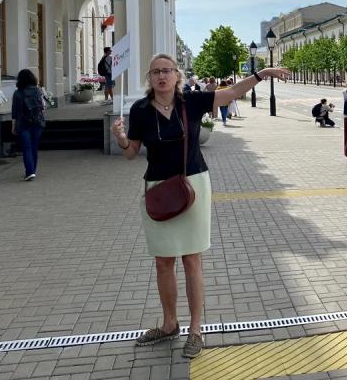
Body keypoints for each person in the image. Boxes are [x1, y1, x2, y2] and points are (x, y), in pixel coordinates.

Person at [110, 53, 288, 358]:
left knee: (192, 259)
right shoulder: (139, 110)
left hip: (193, 185)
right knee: (163, 261)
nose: (161, 76)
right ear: (149, 78)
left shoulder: (189, 102)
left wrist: (264, 73)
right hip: (158, 188)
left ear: (177, 76)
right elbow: (131, 154)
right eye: (155, 72)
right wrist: (122, 139)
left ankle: (196, 329)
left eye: (167, 71)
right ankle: (169, 324)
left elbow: (231, 93)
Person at [11, 69, 46, 181]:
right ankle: (32, 171)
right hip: (37, 122)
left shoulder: (17, 93)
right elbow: (42, 108)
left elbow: (15, 112)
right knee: (34, 147)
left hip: (23, 123)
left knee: (26, 148)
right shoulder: (38, 91)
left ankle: (29, 172)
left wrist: (13, 126)